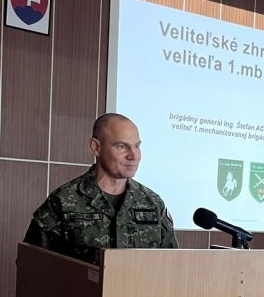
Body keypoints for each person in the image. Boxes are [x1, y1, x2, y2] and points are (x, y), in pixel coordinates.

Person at [24, 113, 178, 264]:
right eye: (122, 146)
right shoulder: (62, 202)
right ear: (96, 147)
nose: (134, 156)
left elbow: (173, 265)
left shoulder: (153, 203)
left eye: (137, 146)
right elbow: (31, 265)